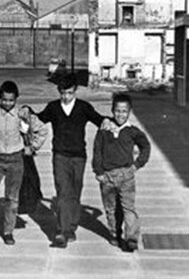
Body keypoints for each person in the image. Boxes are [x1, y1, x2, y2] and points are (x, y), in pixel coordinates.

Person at [29, 72, 107, 248]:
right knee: (63, 191)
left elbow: (99, 121)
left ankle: (71, 226)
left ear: (76, 91)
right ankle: (62, 231)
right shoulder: (53, 107)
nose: (66, 96)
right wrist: (27, 114)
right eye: (63, 93)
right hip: (60, 156)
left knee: (75, 192)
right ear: (59, 91)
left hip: (79, 156)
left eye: (70, 93)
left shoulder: (84, 107)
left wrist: (115, 125)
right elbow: (38, 119)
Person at [0, 80, 47, 246]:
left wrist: (32, 147)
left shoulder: (22, 114)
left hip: (16, 160)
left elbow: (42, 130)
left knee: (12, 197)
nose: (8, 103)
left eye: (11, 100)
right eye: (4, 100)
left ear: (16, 99)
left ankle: (8, 231)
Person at [92, 92, 151, 252]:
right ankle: (114, 234)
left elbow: (145, 146)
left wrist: (137, 165)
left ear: (129, 112)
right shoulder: (104, 129)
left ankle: (131, 238)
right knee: (110, 209)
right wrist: (98, 171)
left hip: (126, 175)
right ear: (112, 111)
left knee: (128, 208)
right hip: (107, 176)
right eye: (117, 111)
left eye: (124, 111)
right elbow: (97, 150)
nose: (120, 114)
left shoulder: (133, 131)